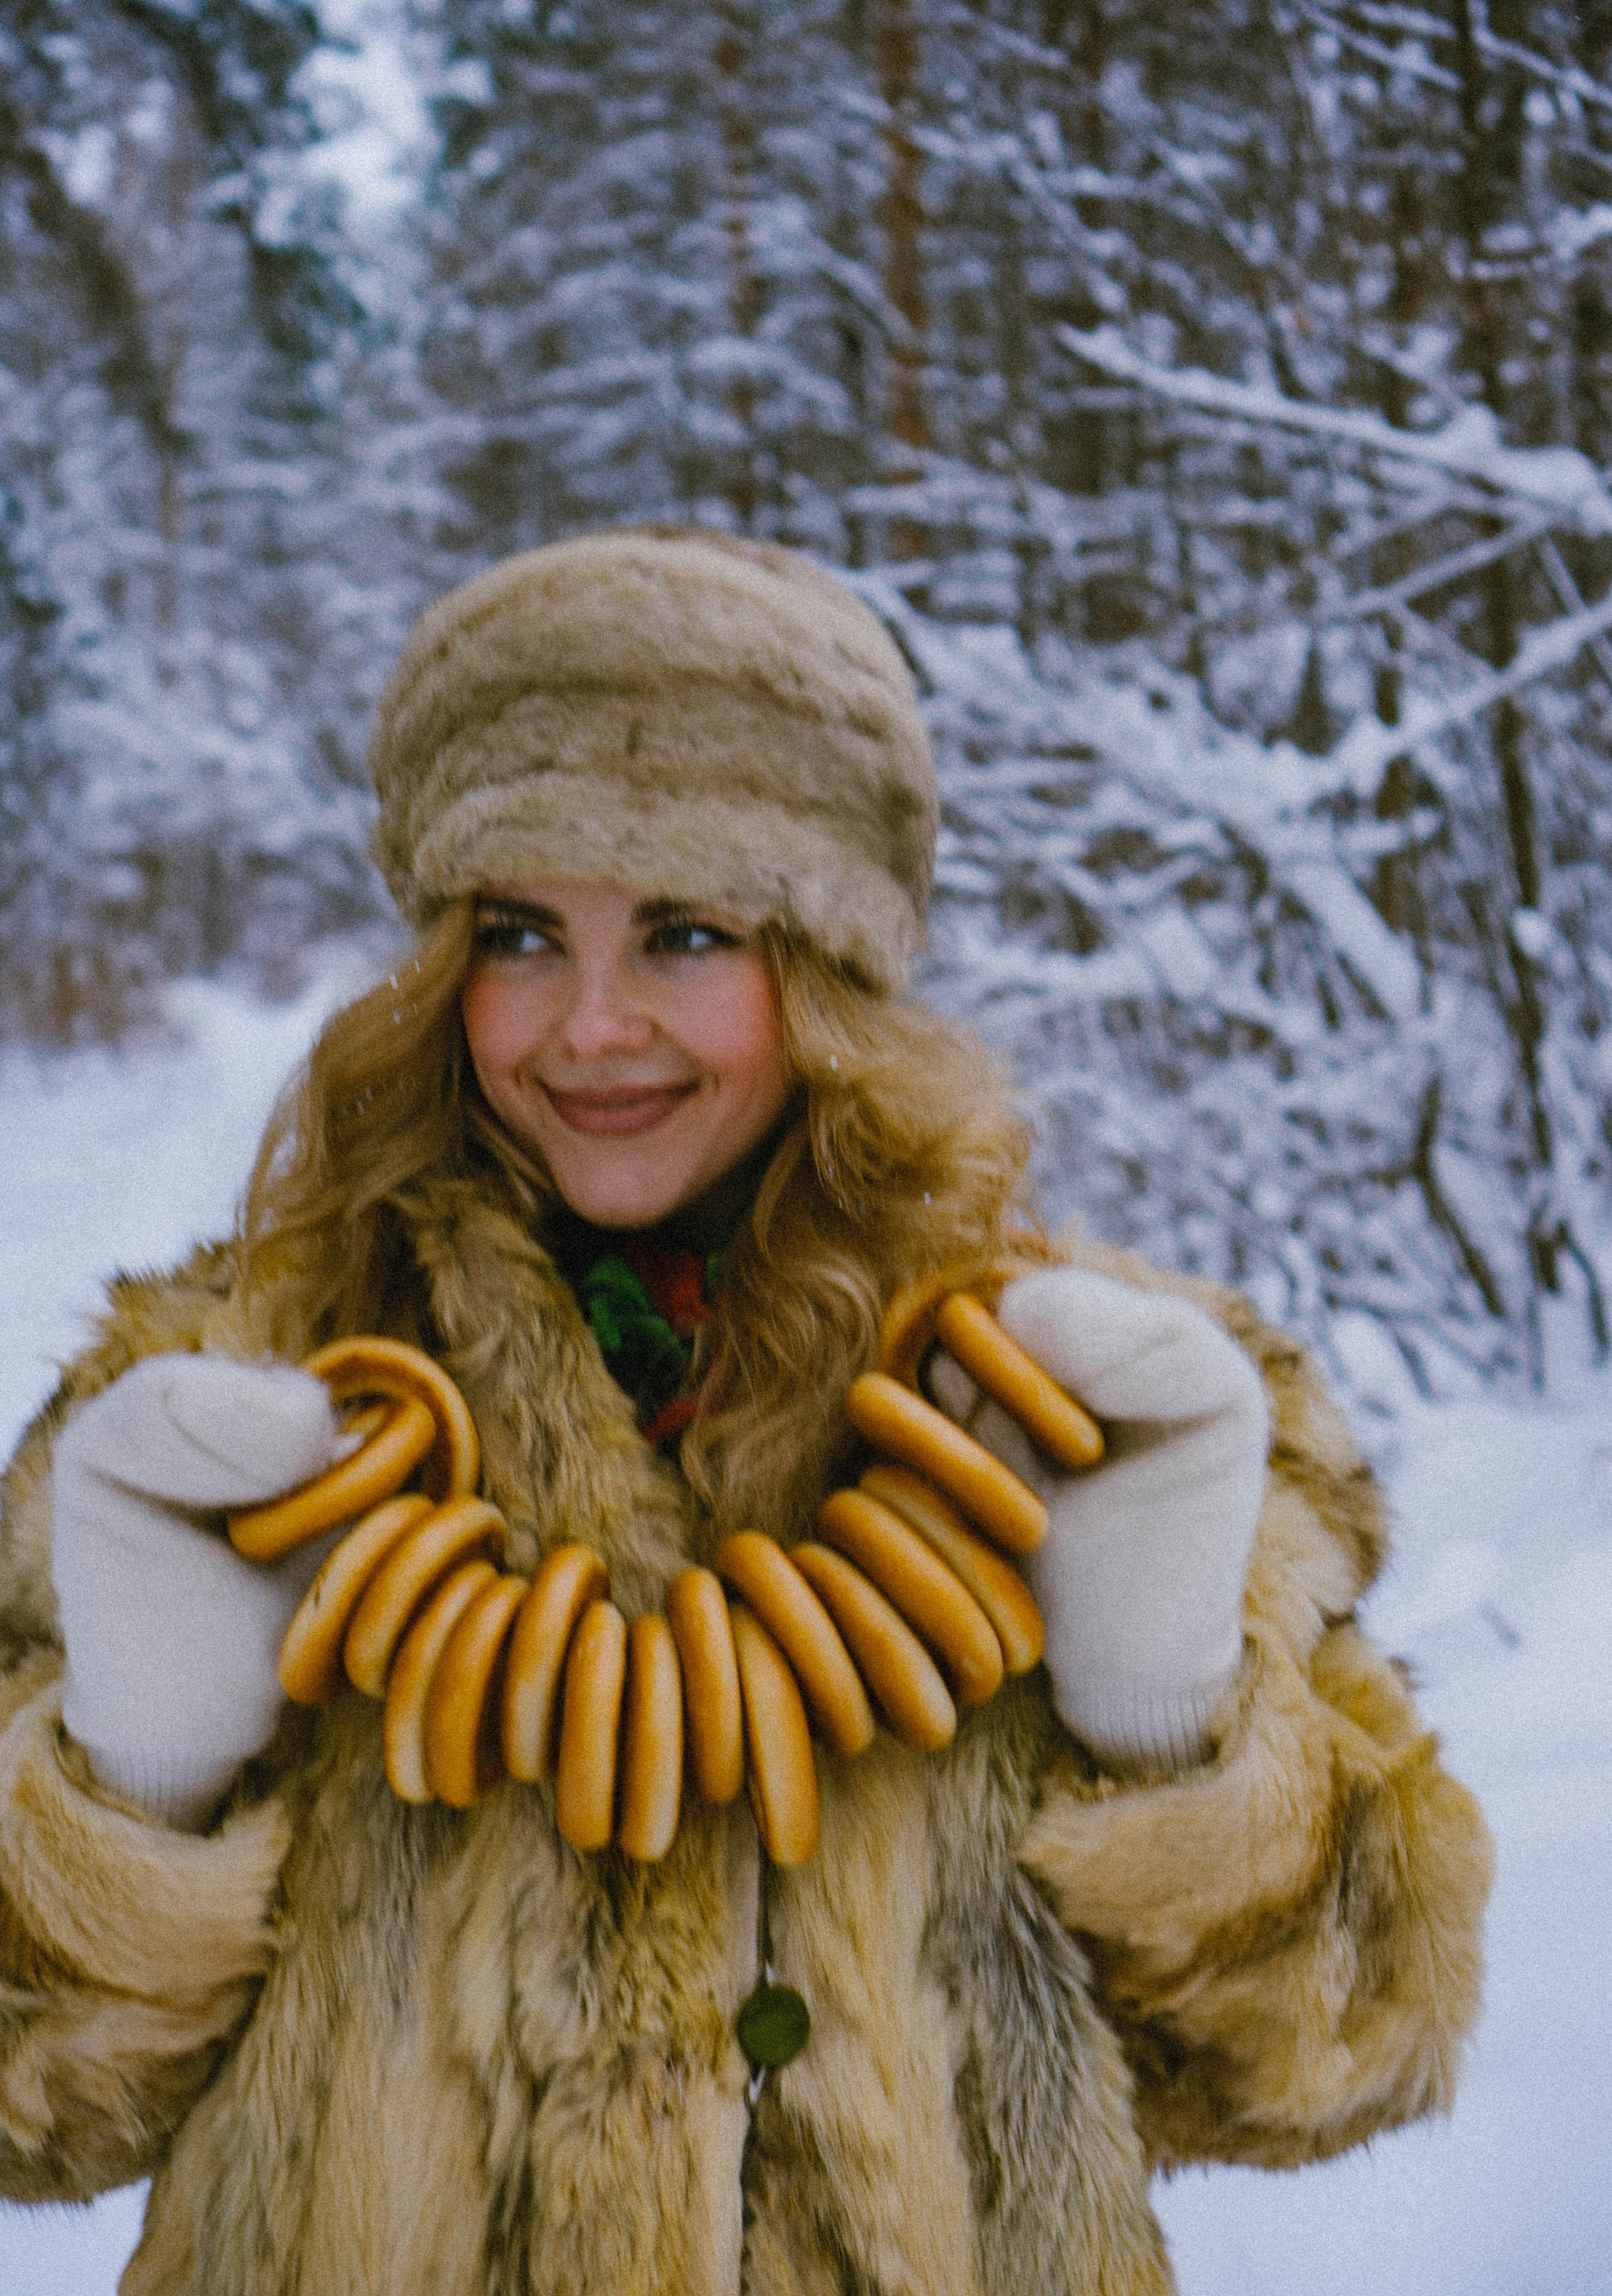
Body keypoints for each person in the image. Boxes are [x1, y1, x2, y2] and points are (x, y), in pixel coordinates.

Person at [0, 530, 1490, 2295]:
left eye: (686, 933)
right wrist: (134, 1775)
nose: (591, 1026)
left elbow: (1338, 2058)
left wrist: (1170, 1712)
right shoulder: (228, 1414)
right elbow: (38, 2117)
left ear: (826, 964)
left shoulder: (1078, 1409)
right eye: (522, 933)